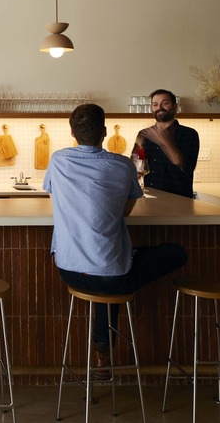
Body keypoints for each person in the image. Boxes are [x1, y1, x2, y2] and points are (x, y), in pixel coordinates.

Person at [43, 104, 187, 379]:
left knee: (111, 268)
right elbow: (125, 211)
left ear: (72, 133)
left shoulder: (58, 160)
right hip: (112, 274)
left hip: (68, 268)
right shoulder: (122, 165)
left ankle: (102, 357)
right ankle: (102, 355)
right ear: (105, 132)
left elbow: (53, 192)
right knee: (173, 253)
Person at [131, 89, 199, 198]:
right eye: (155, 104)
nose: (159, 108)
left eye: (165, 103)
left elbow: (184, 165)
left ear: (175, 107)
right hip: (150, 198)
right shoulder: (143, 134)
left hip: (180, 200)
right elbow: (136, 167)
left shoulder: (189, 134)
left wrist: (161, 139)